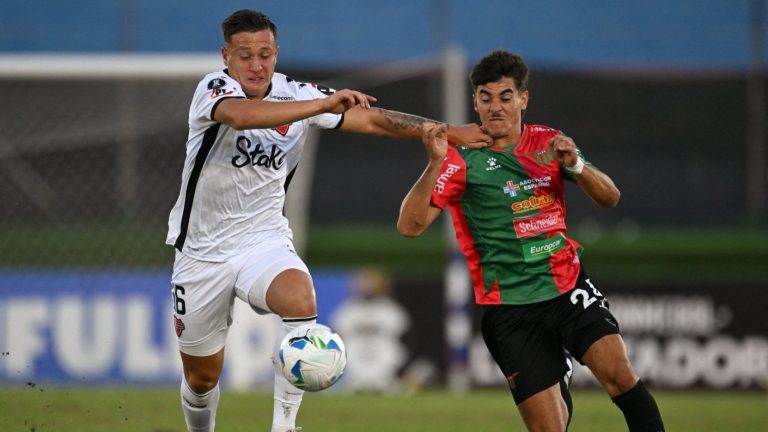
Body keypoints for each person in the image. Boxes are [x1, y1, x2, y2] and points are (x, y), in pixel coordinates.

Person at [165, 9, 490, 432]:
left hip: (262, 241)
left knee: (301, 302)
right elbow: (241, 116)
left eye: (265, 54)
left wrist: (448, 131)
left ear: (277, 53)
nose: (256, 64)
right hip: (202, 255)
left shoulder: (294, 93)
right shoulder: (214, 88)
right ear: (226, 56)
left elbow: (373, 119)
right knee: (202, 377)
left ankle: (284, 427)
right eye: (245, 55)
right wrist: (321, 105)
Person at [397, 50, 664, 432]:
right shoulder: (460, 160)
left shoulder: (549, 142)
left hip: (567, 287)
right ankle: (559, 373)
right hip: (509, 309)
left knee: (621, 377)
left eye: (505, 97)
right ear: (474, 101)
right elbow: (410, 226)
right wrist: (433, 163)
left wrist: (575, 165)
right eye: (485, 97)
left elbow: (610, 197)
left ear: (523, 99)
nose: (495, 107)